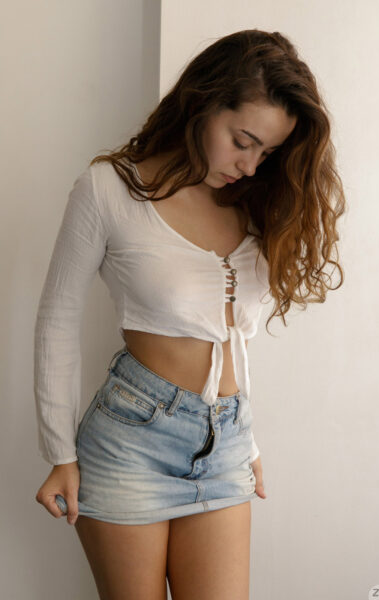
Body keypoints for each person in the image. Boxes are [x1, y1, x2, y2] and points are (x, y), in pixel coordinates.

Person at [34, 29, 345, 600]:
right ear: (204, 103)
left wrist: (245, 442)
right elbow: (57, 320)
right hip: (129, 445)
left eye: (267, 153)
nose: (250, 165)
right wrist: (60, 453)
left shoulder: (253, 204)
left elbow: (233, 340)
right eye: (242, 141)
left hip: (226, 445)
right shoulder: (109, 190)